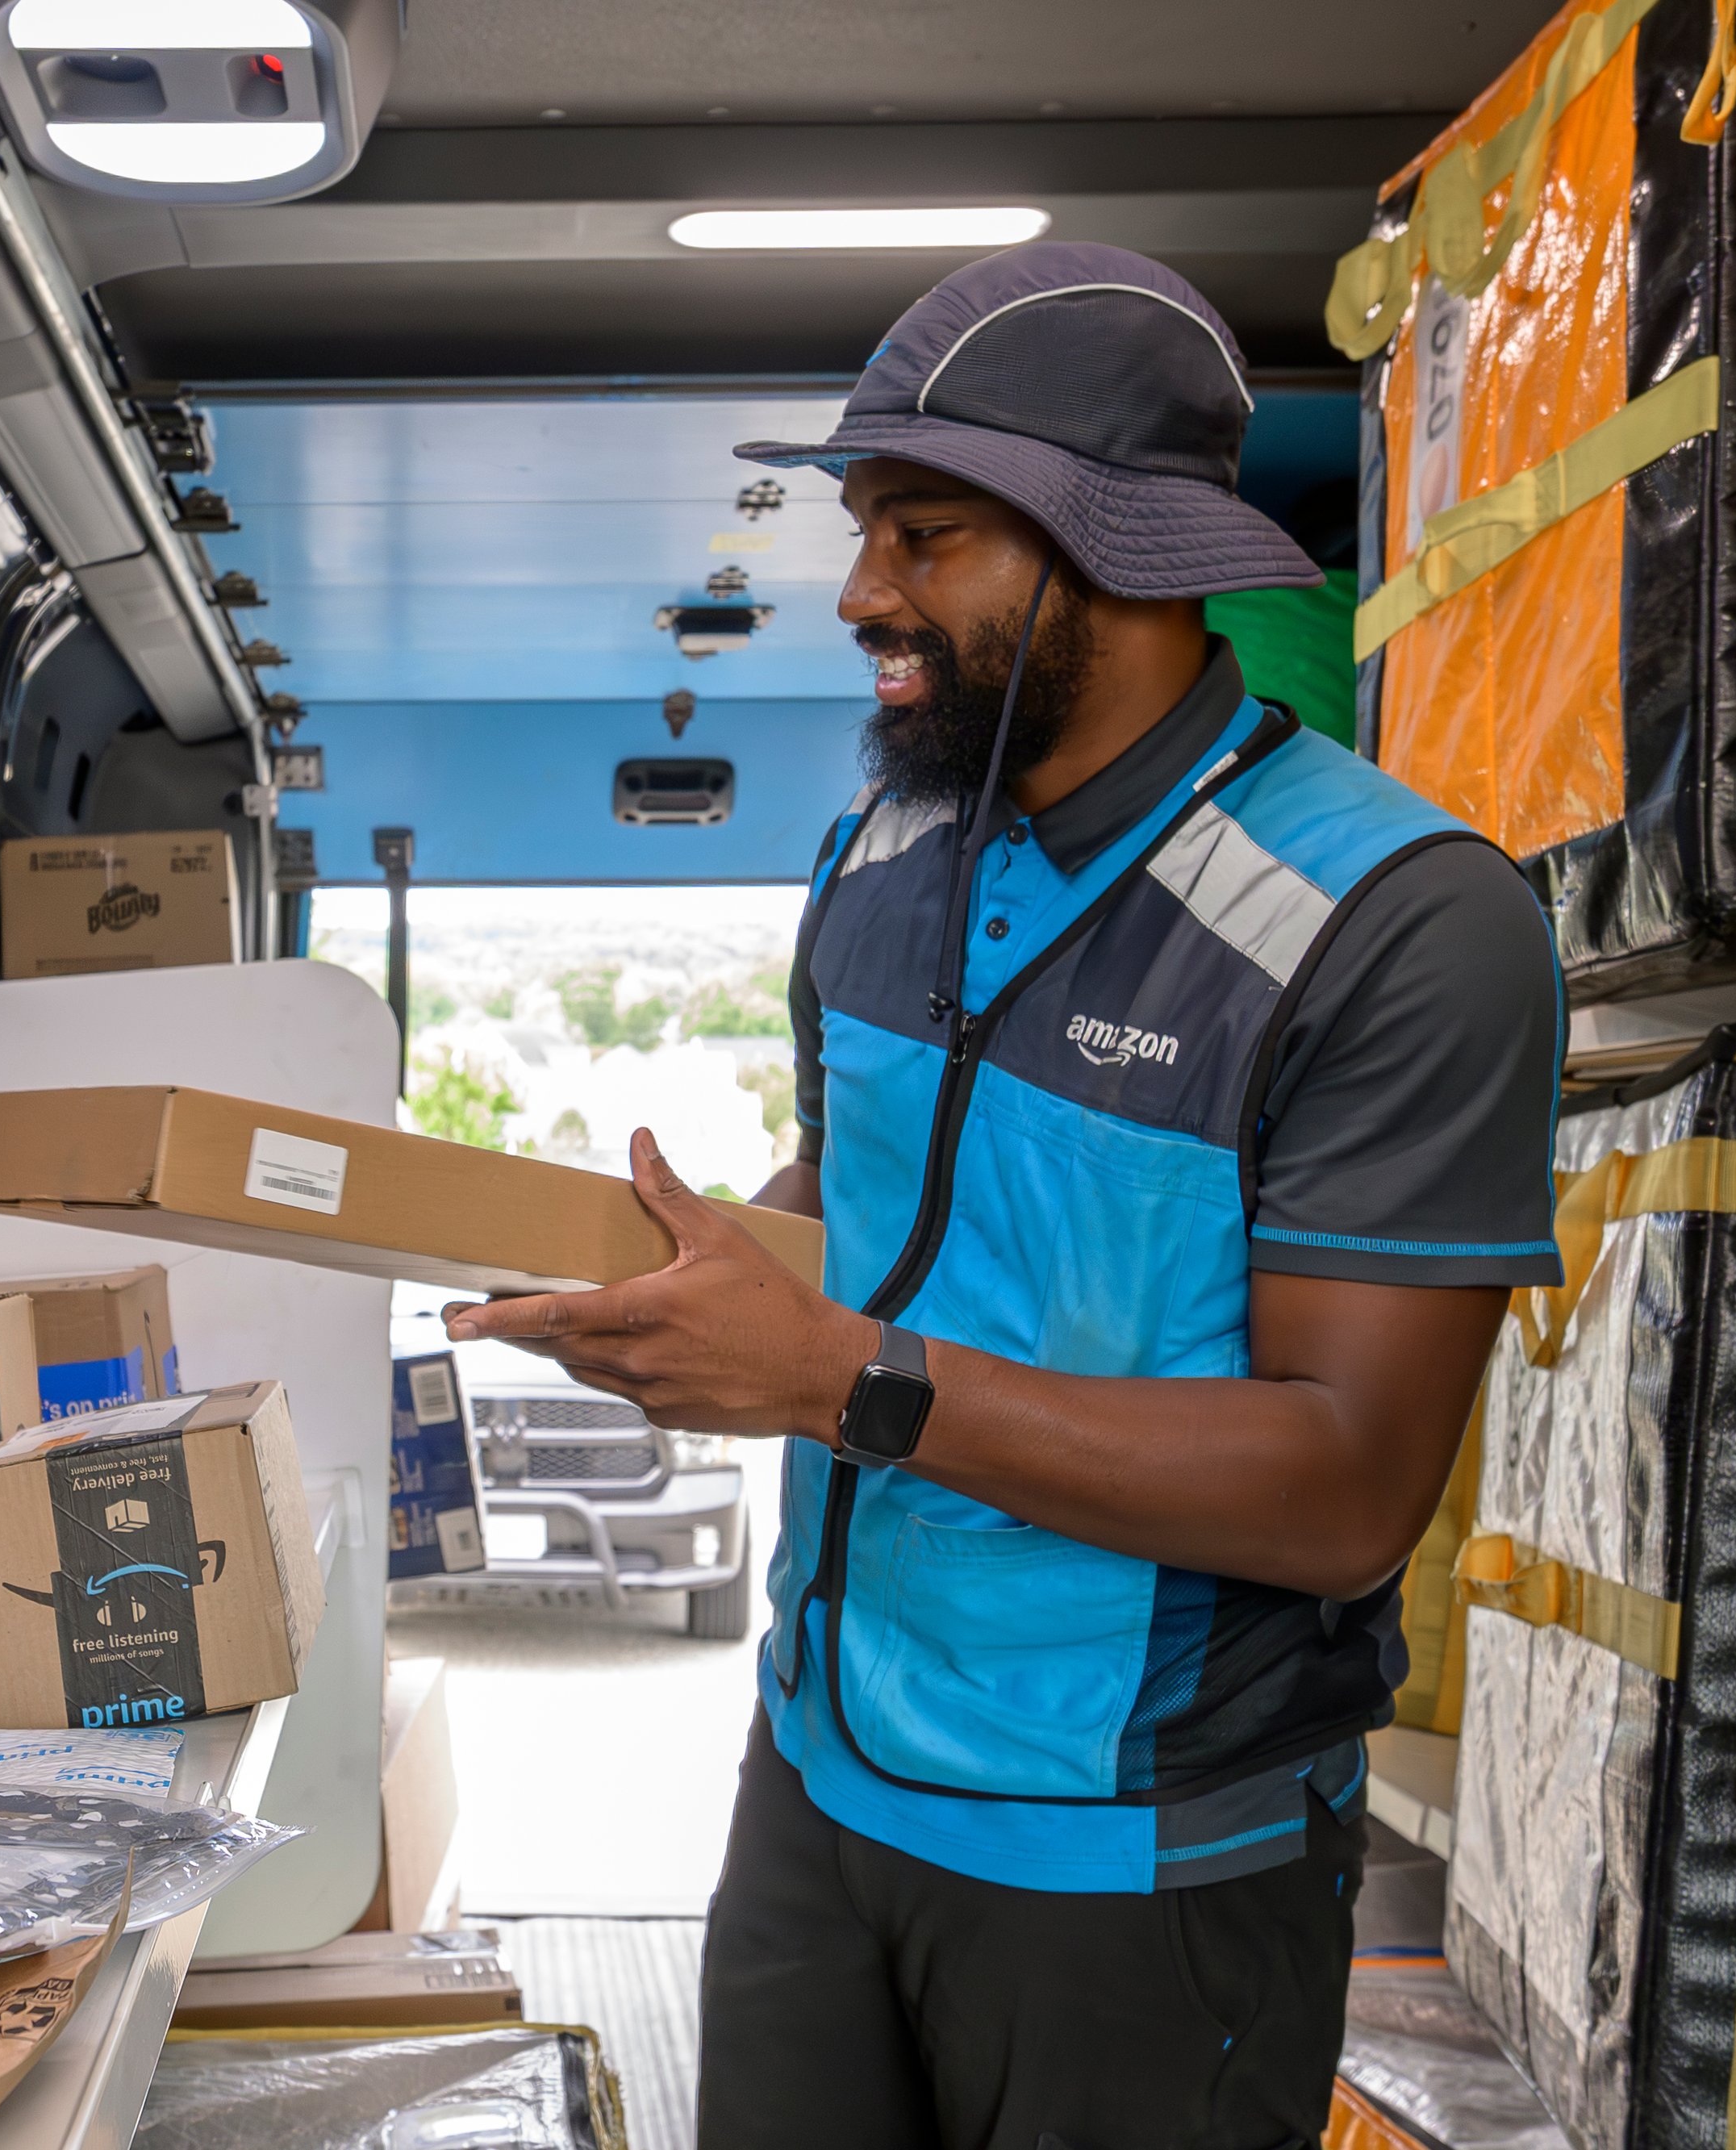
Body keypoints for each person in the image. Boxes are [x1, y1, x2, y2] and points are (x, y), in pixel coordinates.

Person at [443, 242, 1563, 2147]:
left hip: (1140, 1858)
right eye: (867, 527)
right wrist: (703, 1277)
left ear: (1119, 549)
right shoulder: (881, 850)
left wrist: (838, 1378)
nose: (862, 591)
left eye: (928, 534)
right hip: (823, 1773)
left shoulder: (1402, 925)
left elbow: (1349, 1485)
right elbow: (860, 1201)